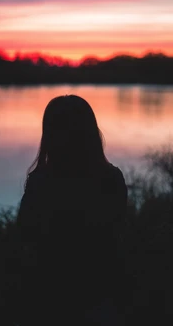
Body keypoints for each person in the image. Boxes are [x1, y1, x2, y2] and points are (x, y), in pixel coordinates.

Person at [16, 95, 127, 325]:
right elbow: (118, 237)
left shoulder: (41, 181)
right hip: (100, 296)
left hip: (48, 298)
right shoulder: (111, 178)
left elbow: (25, 238)